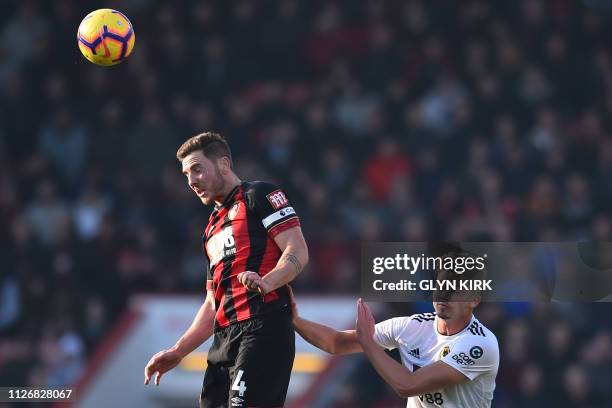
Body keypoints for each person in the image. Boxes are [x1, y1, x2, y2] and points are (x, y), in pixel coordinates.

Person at [144, 132, 308, 408]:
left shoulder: (260, 194)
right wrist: (178, 351)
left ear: (223, 164)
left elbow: (298, 251)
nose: (191, 181)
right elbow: (213, 302)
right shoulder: (211, 228)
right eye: (186, 174)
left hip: (263, 327)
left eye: (197, 169)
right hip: (224, 339)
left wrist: (268, 282)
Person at [290, 282, 499, 407]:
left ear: (474, 299)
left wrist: (368, 343)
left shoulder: (479, 345)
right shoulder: (410, 326)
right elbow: (337, 343)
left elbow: (408, 385)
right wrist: (293, 319)